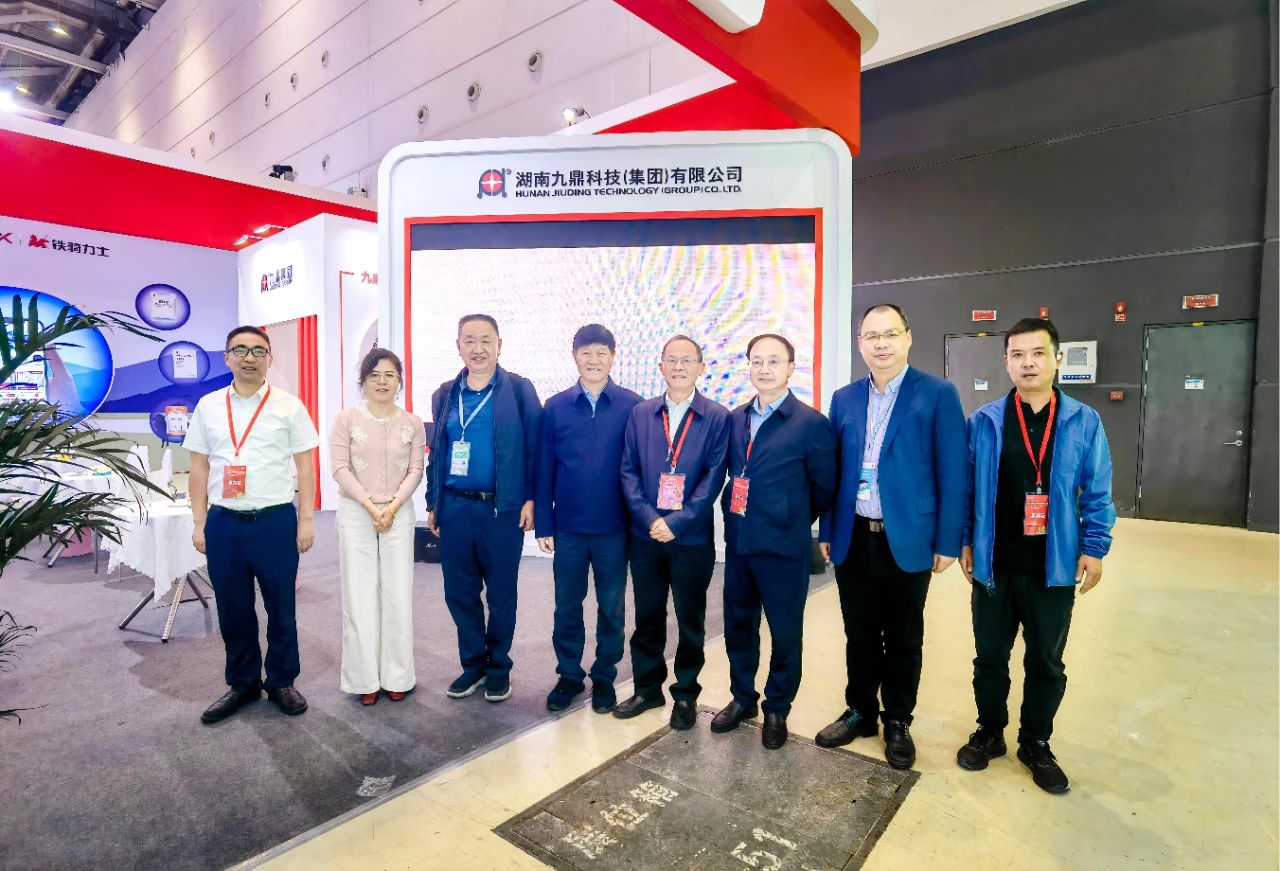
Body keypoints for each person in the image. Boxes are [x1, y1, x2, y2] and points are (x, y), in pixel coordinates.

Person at [957, 317, 1115, 794]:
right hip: (994, 566)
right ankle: (990, 732)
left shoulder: (1083, 421)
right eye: (1018, 355)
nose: (1028, 363)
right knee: (990, 658)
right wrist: (965, 540)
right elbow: (966, 490)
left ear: (1057, 359)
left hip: (1054, 567)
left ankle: (1036, 742)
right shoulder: (984, 421)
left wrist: (1094, 548)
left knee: (1046, 662)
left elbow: (1098, 490)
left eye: (1038, 353)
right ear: (1006, 362)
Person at [816, 303, 967, 769]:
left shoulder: (937, 394)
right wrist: (828, 528)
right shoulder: (844, 398)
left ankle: (897, 719)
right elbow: (835, 471)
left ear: (907, 337)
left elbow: (953, 471)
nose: (881, 344)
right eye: (872, 336)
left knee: (904, 637)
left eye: (890, 334)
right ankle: (860, 710)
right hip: (854, 535)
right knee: (859, 632)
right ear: (860, 343)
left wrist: (948, 540)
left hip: (910, 536)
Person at [185, 325, 320, 725]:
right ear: (227, 357)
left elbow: (305, 467)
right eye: (240, 350)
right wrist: (199, 522)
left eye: (258, 351)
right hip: (224, 523)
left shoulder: (289, 406)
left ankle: (281, 681)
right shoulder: (208, 406)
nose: (249, 357)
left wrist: (306, 520)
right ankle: (242, 683)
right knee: (233, 608)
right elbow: (198, 467)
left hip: (275, 521)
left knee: (281, 607)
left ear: (269, 359)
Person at [711, 334, 836, 749]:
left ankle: (777, 707)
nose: (764, 369)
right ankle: (742, 698)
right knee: (738, 626)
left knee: (785, 633)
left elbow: (824, 486)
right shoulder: (735, 419)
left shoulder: (810, 423)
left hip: (784, 548)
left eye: (774, 361)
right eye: (757, 361)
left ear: (790, 369)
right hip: (740, 543)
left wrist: (789, 514)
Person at [614, 335, 729, 730]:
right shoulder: (641, 414)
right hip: (645, 536)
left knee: (690, 620)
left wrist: (676, 522)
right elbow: (628, 471)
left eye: (687, 360)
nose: (679, 367)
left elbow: (714, 478)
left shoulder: (716, 417)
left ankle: (685, 695)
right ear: (661, 366)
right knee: (647, 616)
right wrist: (651, 520)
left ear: (700, 367)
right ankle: (647, 690)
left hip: (691, 538)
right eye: (672, 360)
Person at [425, 314, 541, 703]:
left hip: (501, 511)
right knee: (459, 592)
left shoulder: (519, 390)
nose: (478, 349)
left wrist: (531, 497)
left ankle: (499, 668)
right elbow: (438, 453)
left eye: (486, 340)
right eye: (470, 340)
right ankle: (473, 665)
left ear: (499, 345)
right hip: (456, 509)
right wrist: (433, 501)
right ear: (458, 346)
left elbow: (534, 449)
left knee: (501, 593)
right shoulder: (445, 394)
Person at [535, 325, 642, 714]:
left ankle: (604, 677)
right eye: (586, 353)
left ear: (613, 356)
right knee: (567, 606)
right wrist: (545, 524)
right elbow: (544, 467)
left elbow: (640, 468)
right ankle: (568, 675)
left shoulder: (633, 406)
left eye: (601, 353)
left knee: (611, 608)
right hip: (569, 529)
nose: (593, 360)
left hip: (615, 529)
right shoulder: (556, 407)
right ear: (574, 357)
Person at [330, 348, 425, 706]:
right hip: (357, 512)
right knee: (359, 595)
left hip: (399, 512)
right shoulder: (346, 419)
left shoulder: (412, 422)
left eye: (390, 375)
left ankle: (397, 675)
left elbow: (416, 469)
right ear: (363, 381)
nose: (382, 381)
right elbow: (340, 468)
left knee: (397, 594)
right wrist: (371, 506)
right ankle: (364, 678)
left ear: (399, 381)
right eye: (374, 375)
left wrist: (393, 506)